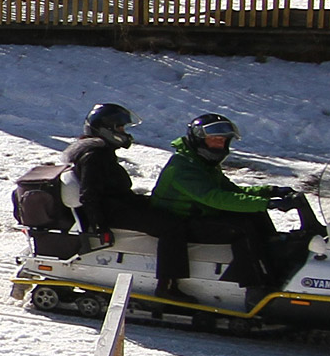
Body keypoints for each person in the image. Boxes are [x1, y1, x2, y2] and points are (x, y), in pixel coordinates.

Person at [150, 113, 300, 297]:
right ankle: (257, 287)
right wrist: (266, 203)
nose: (219, 146)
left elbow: (232, 191)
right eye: (214, 140)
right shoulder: (183, 167)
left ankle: (274, 261)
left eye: (223, 141)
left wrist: (271, 191)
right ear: (199, 140)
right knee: (242, 229)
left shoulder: (202, 163)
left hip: (197, 215)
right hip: (179, 222)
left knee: (254, 215)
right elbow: (215, 198)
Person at [57, 103, 192, 299]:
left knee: (171, 212)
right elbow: (89, 194)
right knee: (172, 226)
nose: (123, 132)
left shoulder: (102, 152)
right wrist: (100, 227)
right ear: (106, 129)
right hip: (112, 214)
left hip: (120, 206)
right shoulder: (94, 155)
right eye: (120, 128)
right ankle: (167, 286)